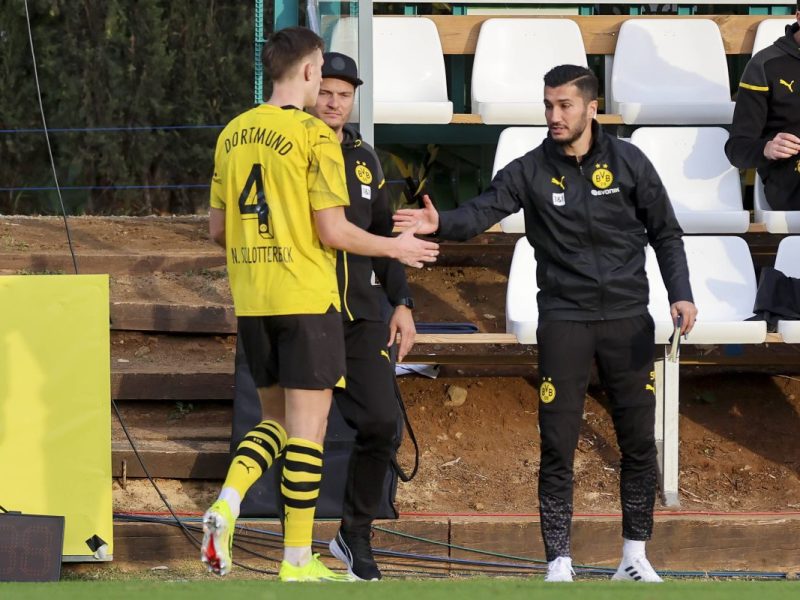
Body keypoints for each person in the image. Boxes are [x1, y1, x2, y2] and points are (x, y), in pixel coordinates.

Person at [394, 65, 697, 583]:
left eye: (564, 105)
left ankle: (634, 556)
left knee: (638, 443)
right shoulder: (530, 169)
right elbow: (482, 211)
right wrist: (441, 221)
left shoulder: (629, 162)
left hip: (627, 318)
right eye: (548, 106)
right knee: (557, 442)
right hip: (564, 319)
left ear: (591, 108)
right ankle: (558, 561)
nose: (554, 115)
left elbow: (666, 232)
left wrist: (681, 293)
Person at [202, 26, 438, 582]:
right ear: (310, 71)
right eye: (322, 80)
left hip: (254, 300)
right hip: (308, 299)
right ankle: (297, 560)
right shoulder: (314, 138)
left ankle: (229, 502)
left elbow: (218, 229)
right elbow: (333, 230)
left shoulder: (232, 133)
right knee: (308, 432)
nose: (328, 96)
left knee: (275, 422)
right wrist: (395, 247)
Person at [305, 51, 415, 581]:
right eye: (326, 92)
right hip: (307, 310)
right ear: (311, 92)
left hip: (364, 313)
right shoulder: (294, 148)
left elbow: (384, 236)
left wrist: (403, 303)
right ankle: (292, 548)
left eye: (344, 95)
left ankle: (354, 534)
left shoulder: (367, 158)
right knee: (299, 430)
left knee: (382, 424)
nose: (334, 102)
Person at [725, 6, 800, 210]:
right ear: (798, 16)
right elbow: (736, 148)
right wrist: (767, 148)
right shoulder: (765, 65)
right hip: (789, 180)